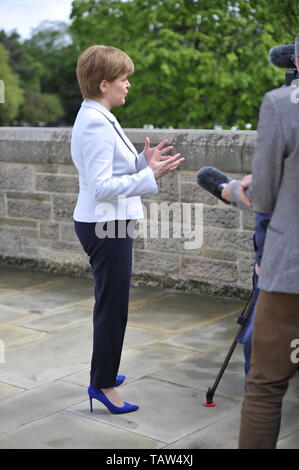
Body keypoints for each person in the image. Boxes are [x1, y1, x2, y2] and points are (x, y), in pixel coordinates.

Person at [71, 45, 184, 414]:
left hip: (107, 222)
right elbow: (102, 187)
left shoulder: (99, 114)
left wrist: (141, 162)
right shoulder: (94, 123)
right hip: (105, 224)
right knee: (113, 306)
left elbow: (110, 171)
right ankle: (102, 384)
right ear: (104, 84)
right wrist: (149, 175)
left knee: (112, 302)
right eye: (123, 79)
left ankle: (102, 371)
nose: (128, 85)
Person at [221, 41, 299, 448]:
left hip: (290, 277)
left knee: (266, 387)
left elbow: (264, 198)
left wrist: (237, 189)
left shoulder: (281, 104)